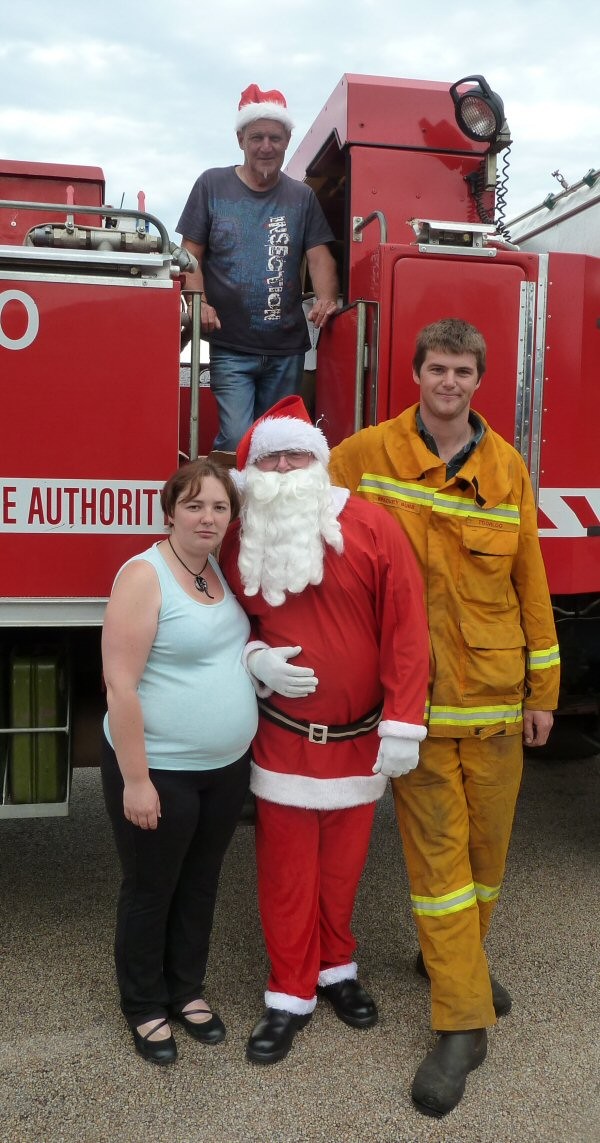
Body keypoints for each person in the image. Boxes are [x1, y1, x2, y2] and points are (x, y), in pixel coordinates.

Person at [328, 317, 561, 1117]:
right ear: (417, 374)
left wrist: (545, 693)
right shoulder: (366, 456)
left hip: (498, 707)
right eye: (437, 369)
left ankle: (451, 961)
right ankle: (463, 1023)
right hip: (417, 711)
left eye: (463, 370)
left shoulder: (507, 468)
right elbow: (304, 518)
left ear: (479, 378)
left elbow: (532, 582)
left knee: (487, 861)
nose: (449, 383)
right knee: (437, 870)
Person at [219, 394, 430, 1065]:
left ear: (318, 460)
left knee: (343, 871)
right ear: (253, 471)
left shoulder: (371, 527)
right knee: (285, 874)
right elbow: (215, 624)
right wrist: (253, 657)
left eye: (295, 453)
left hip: (361, 741)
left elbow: (406, 628)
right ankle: (288, 992)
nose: (283, 465)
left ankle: (336, 968)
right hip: (283, 739)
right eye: (270, 457)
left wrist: (403, 722)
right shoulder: (238, 538)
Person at [101, 459, 258, 1066]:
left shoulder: (212, 568)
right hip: (159, 768)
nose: (208, 517)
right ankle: (144, 1004)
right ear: (170, 513)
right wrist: (136, 781)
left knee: (201, 881)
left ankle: (186, 989)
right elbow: (120, 686)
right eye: (194, 505)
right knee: (151, 887)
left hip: (223, 769)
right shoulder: (146, 575)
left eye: (219, 507)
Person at [177, 83, 339, 452]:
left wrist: (327, 299)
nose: (266, 146)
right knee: (237, 440)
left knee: (277, 445)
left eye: (275, 138)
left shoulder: (302, 196)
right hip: (230, 345)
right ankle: (229, 506)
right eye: (257, 137)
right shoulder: (211, 184)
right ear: (240, 140)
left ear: (287, 140)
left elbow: (319, 255)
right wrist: (199, 302)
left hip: (286, 347)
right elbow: (190, 254)